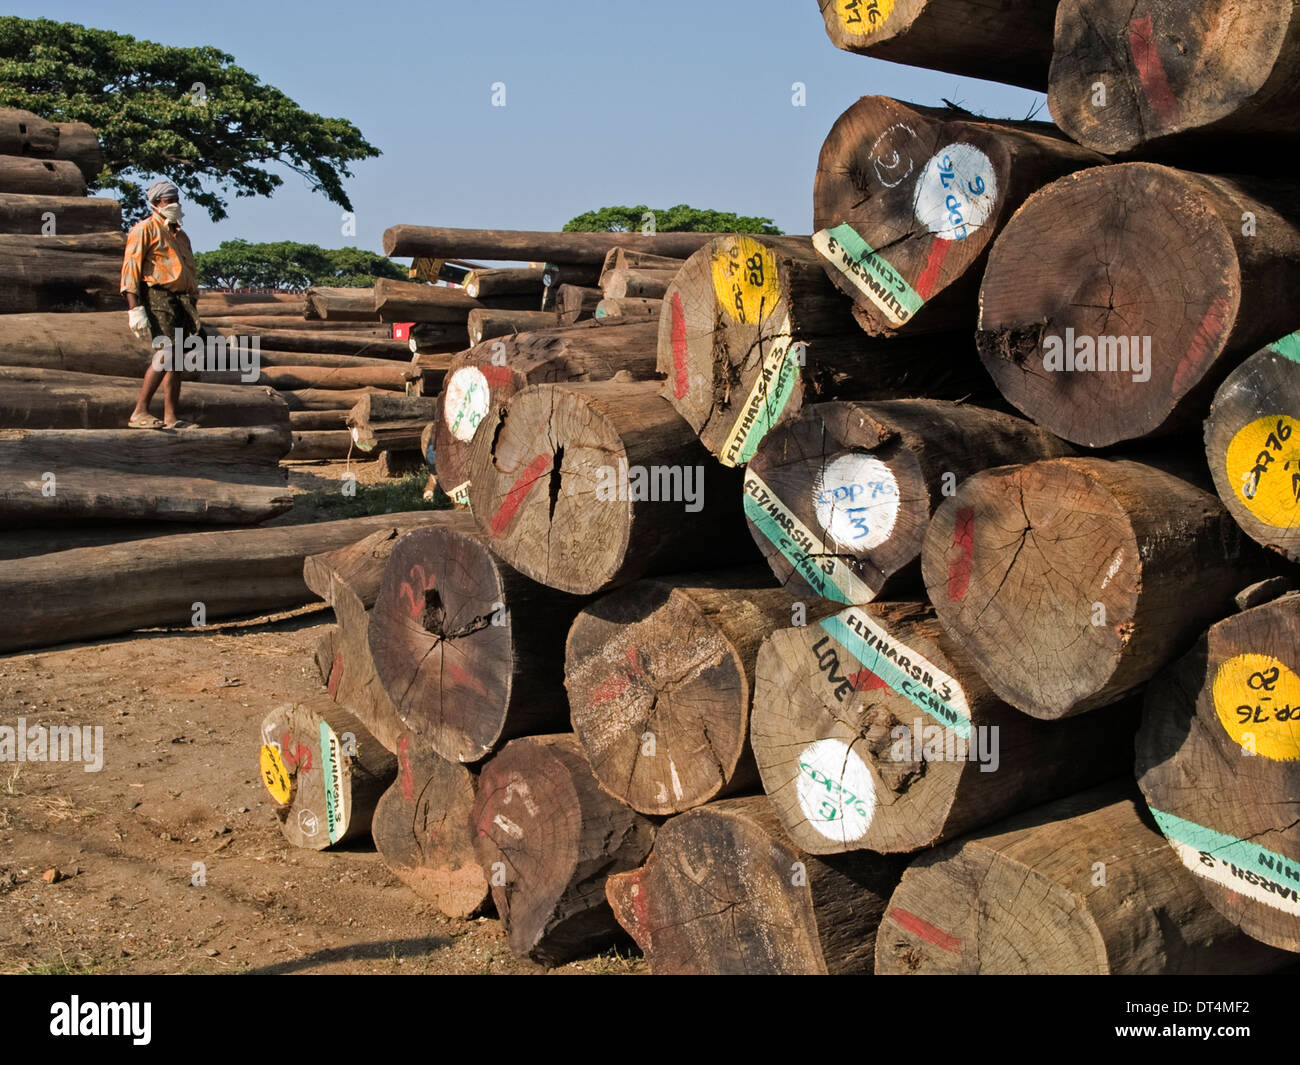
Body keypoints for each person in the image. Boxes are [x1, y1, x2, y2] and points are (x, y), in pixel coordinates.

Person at [121, 180, 202, 429]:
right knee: (165, 353)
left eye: (177, 199)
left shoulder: (181, 235)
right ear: (157, 203)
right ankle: (140, 411)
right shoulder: (143, 229)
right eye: (169, 200)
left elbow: (188, 271)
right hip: (157, 296)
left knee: (177, 360)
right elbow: (130, 269)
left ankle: (170, 417)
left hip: (182, 300)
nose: (175, 204)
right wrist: (134, 308)